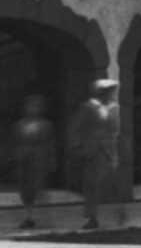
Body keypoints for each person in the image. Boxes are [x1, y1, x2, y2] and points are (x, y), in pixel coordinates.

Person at [68, 77, 121, 231]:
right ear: (100, 93)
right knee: (91, 185)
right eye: (108, 92)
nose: (111, 95)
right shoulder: (88, 108)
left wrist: (114, 153)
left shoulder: (114, 109)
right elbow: (75, 128)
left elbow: (114, 131)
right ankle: (93, 217)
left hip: (107, 152)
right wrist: (79, 147)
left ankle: (118, 213)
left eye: (112, 92)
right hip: (92, 152)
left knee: (111, 184)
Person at [12, 92, 56, 230]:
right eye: (30, 106)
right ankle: (29, 217)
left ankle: (40, 217)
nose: (33, 109)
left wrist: (51, 161)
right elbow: (15, 142)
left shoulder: (46, 125)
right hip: (24, 161)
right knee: (25, 191)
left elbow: (51, 144)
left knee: (38, 189)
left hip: (39, 160)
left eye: (36, 106)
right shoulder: (19, 125)